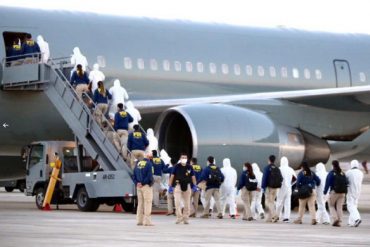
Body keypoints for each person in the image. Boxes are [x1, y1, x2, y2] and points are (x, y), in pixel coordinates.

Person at [168, 153, 198, 224]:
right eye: (182, 157)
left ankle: (186, 218)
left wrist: (194, 185)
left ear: (187, 159)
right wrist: (170, 186)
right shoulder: (176, 166)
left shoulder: (189, 167)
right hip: (178, 186)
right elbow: (172, 176)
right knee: (177, 202)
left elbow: (193, 177)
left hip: (187, 186)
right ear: (180, 159)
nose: (184, 159)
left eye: (185, 157)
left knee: (187, 203)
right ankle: (179, 217)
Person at [324, 160, 348, 227]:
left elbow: (327, 183)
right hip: (342, 193)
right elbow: (346, 182)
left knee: (331, 205)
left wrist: (325, 192)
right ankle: (339, 221)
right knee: (339, 207)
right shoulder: (342, 173)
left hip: (334, 192)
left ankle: (335, 219)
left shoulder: (331, 173)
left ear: (332, 165)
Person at [132, 153, 154, 226]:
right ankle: (147, 221)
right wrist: (143, 183)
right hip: (146, 186)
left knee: (140, 204)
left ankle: (139, 220)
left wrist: (137, 183)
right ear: (148, 157)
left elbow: (134, 175)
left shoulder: (138, 164)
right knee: (147, 203)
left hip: (138, 187)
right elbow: (149, 176)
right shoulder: (149, 164)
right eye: (151, 156)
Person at [261, 155, 283, 223]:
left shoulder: (267, 168)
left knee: (268, 202)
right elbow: (281, 178)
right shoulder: (277, 168)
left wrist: (263, 187)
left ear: (269, 160)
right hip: (275, 188)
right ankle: (270, 218)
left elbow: (264, 178)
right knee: (272, 203)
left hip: (269, 188)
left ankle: (275, 215)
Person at [276, 156, 296, 223]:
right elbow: (295, 178)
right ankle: (286, 218)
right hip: (288, 188)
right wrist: (291, 184)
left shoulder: (279, 169)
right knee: (287, 203)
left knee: (279, 202)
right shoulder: (290, 169)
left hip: (281, 188)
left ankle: (277, 216)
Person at [346, 160, 363, 227]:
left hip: (350, 191)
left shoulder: (349, 172)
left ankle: (357, 219)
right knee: (354, 206)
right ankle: (351, 222)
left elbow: (346, 181)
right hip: (358, 191)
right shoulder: (361, 173)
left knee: (350, 206)